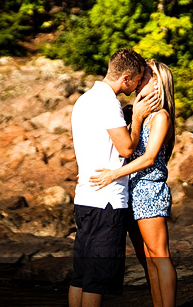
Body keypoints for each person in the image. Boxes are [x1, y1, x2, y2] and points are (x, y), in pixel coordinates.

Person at [69, 48, 158, 307]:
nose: (137, 86)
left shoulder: (84, 99)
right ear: (126, 78)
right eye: (138, 79)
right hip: (106, 202)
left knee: (80, 277)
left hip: (85, 197)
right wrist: (138, 118)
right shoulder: (108, 102)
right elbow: (126, 148)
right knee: (97, 280)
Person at [90, 59, 177, 307]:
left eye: (145, 76)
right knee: (147, 260)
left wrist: (112, 175)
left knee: (160, 256)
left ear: (158, 83)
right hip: (133, 192)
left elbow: (149, 158)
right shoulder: (137, 113)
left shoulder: (161, 117)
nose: (139, 81)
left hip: (150, 188)